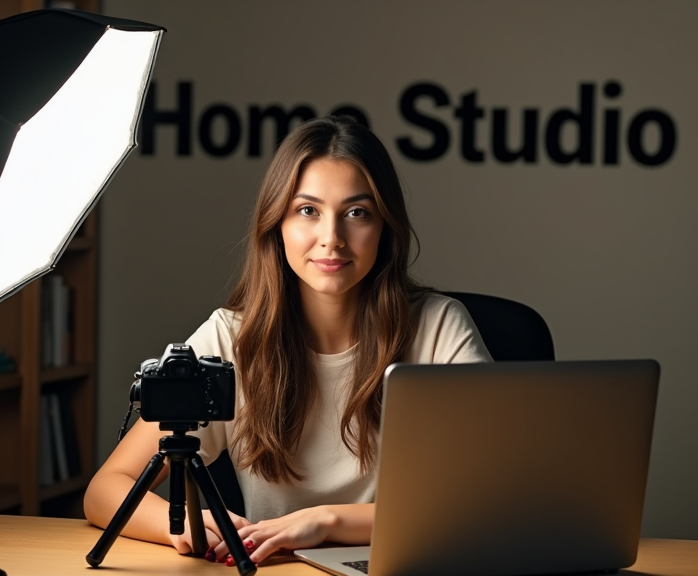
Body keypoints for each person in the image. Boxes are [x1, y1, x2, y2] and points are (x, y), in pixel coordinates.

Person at [83, 115, 491, 565]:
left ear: (384, 227)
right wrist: (183, 524)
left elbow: (487, 499)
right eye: (307, 211)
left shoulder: (438, 328)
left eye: (357, 213)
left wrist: (329, 521)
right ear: (277, 223)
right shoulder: (229, 338)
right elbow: (106, 489)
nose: (331, 239)